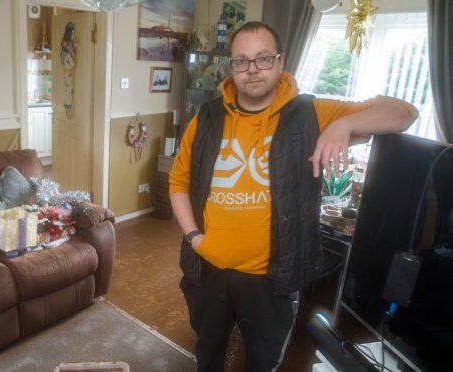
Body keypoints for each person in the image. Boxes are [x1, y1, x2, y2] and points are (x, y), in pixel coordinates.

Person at [169, 21, 417, 372]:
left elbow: (403, 113)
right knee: (208, 354)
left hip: (273, 279)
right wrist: (194, 237)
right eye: (241, 61)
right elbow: (178, 180)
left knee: (263, 361)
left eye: (263, 58)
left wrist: (342, 125)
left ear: (281, 61)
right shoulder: (206, 118)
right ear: (232, 67)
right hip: (208, 269)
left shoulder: (311, 114)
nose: (252, 69)